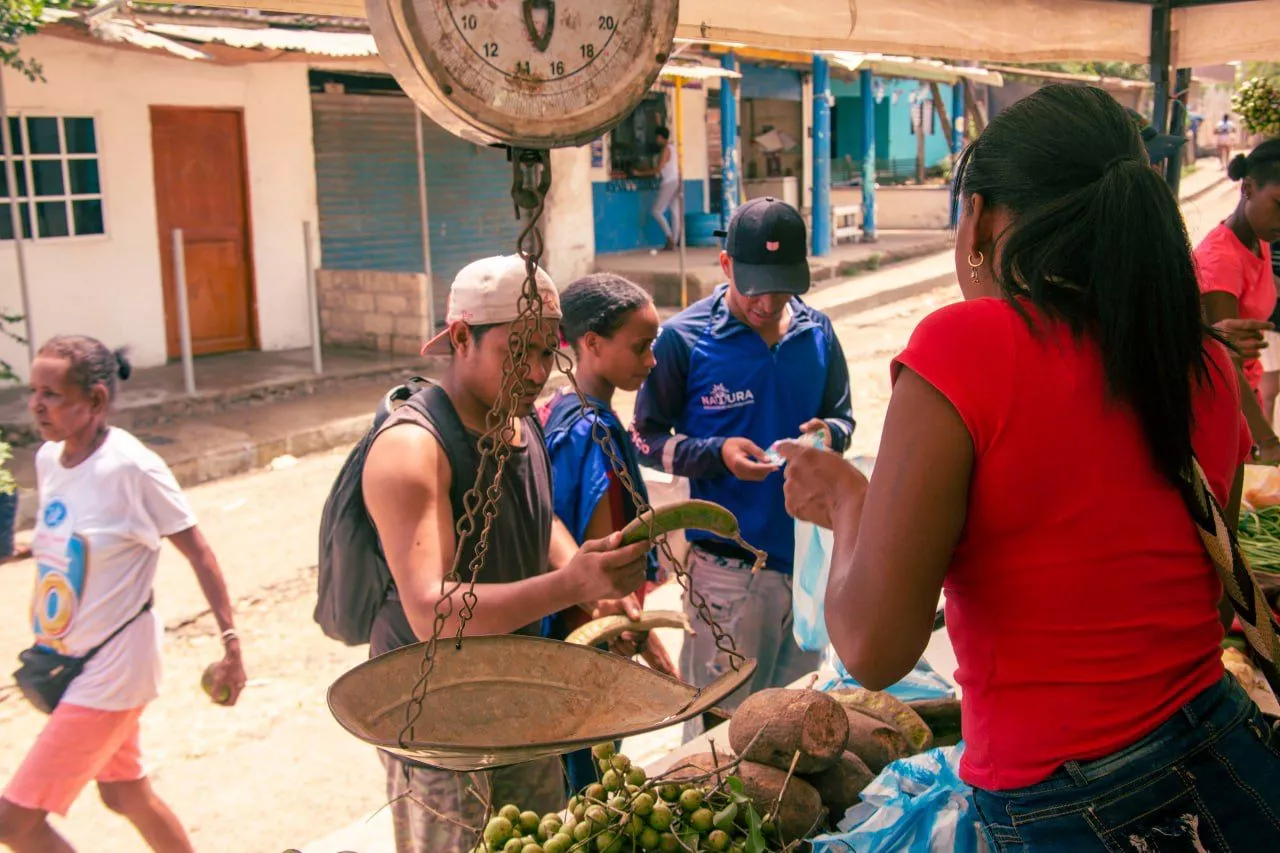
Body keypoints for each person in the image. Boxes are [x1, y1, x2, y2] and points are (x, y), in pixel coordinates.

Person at [779, 84, 1280, 850]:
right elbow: (1206, 606)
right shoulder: (1205, 365)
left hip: (1071, 810)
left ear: (978, 215)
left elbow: (875, 650)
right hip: (1233, 764)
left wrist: (850, 501)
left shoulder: (962, 348)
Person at [360, 255, 650, 852]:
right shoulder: (413, 449)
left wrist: (592, 591)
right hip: (440, 724)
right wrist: (571, 586)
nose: (539, 372)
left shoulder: (519, 419)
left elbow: (534, 520)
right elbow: (430, 611)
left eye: (548, 353)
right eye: (521, 352)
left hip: (518, 696)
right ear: (462, 337)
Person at [0, 336, 245, 853]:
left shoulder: (133, 467)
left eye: (54, 395)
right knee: (124, 792)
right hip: (72, 661)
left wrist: (230, 644)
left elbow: (199, 552)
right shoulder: (49, 460)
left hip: (112, 671)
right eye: (33, 391)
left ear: (96, 400)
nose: (38, 405)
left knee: (13, 824)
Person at [632, 196, 854, 742]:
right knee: (717, 739)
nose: (768, 301)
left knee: (798, 732)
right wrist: (715, 453)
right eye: (755, 285)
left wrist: (826, 436)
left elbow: (845, 419)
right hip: (726, 576)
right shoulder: (683, 340)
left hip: (805, 566)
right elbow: (643, 437)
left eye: (782, 286)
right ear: (726, 265)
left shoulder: (818, 334)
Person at [538, 272, 678, 793]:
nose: (652, 361)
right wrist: (651, 652)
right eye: (641, 347)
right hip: (591, 649)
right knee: (591, 792)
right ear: (591, 345)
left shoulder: (557, 410)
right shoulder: (589, 432)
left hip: (568, 646)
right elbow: (605, 576)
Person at [1196, 140, 1280, 455]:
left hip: (1247, 399)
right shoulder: (1221, 261)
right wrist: (1267, 441)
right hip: (1226, 408)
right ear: (1247, 188)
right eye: (1279, 204)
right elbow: (1224, 361)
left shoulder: (1259, 238)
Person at [634, 126, 682, 251]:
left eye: (657, 137)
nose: (656, 140)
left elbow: (658, 169)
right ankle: (675, 242)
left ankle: (670, 238)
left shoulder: (665, 150)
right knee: (674, 212)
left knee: (657, 211)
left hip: (669, 182)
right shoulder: (674, 148)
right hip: (677, 181)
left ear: (661, 137)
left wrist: (639, 173)